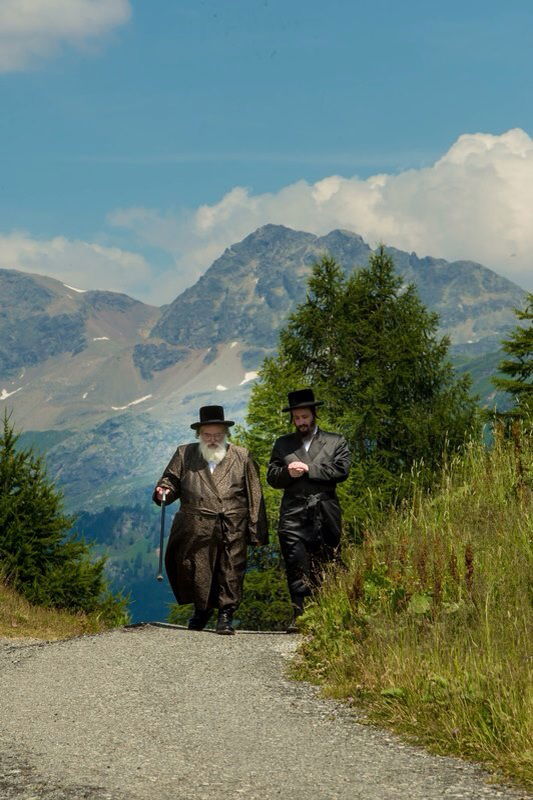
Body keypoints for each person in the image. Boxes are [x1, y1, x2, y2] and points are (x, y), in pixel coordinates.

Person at [153, 405, 268, 635]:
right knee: (198, 569)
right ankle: (202, 610)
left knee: (231, 569)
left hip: (232, 522)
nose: (213, 439)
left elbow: (255, 493)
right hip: (197, 524)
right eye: (207, 435)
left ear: (225, 434)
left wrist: (256, 531)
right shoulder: (185, 453)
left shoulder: (241, 455)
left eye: (217, 435)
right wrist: (163, 491)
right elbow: (170, 480)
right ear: (199, 435)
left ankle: (226, 615)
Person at [267, 389, 350, 632]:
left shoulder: (336, 441)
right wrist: (286, 473)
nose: (301, 422)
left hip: (325, 509)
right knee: (295, 561)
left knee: (327, 560)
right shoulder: (283, 444)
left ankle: (328, 613)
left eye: (304, 417)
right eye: (296, 418)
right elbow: (272, 477)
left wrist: (308, 468)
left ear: (314, 415)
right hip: (293, 511)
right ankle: (300, 616)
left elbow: (341, 471)